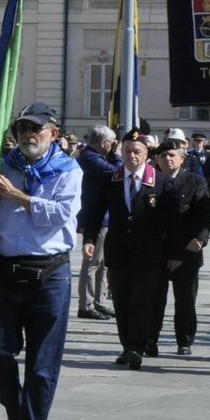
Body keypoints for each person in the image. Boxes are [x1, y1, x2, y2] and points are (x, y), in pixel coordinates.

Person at [0, 102, 81, 420]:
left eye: (34, 129)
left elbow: (61, 217)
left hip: (49, 275)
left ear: (53, 133)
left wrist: (17, 196)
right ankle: (16, 413)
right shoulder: (3, 167)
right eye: (21, 129)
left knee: (42, 364)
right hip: (5, 272)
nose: (27, 136)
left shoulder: (68, 170)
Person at [82, 127, 167, 370]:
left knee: (142, 298)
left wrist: (173, 253)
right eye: (127, 150)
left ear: (147, 153)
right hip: (119, 251)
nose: (132, 155)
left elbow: (171, 219)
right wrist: (89, 239)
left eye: (137, 151)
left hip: (150, 252)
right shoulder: (111, 179)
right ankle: (127, 345)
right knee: (121, 298)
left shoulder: (159, 181)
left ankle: (137, 347)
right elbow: (95, 211)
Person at [151, 129, 210, 357]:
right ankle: (150, 339)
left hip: (188, 250)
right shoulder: (150, 180)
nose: (167, 159)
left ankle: (184, 340)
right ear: (156, 159)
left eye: (172, 155)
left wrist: (200, 239)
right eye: (163, 156)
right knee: (155, 299)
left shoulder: (196, 182)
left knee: (185, 300)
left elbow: (204, 215)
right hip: (158, 250)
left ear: (182, 158)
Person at [75, 125, 120, 320]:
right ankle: (86, 305)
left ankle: (99, 301)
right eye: (112, 143)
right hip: (96, 217)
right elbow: (116, 172)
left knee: (103, 263)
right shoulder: (90, 158)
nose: (113, 146)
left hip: (104, 216)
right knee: (92, 262)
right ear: (103, 143)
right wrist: (117, 155)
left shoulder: (96, 156)